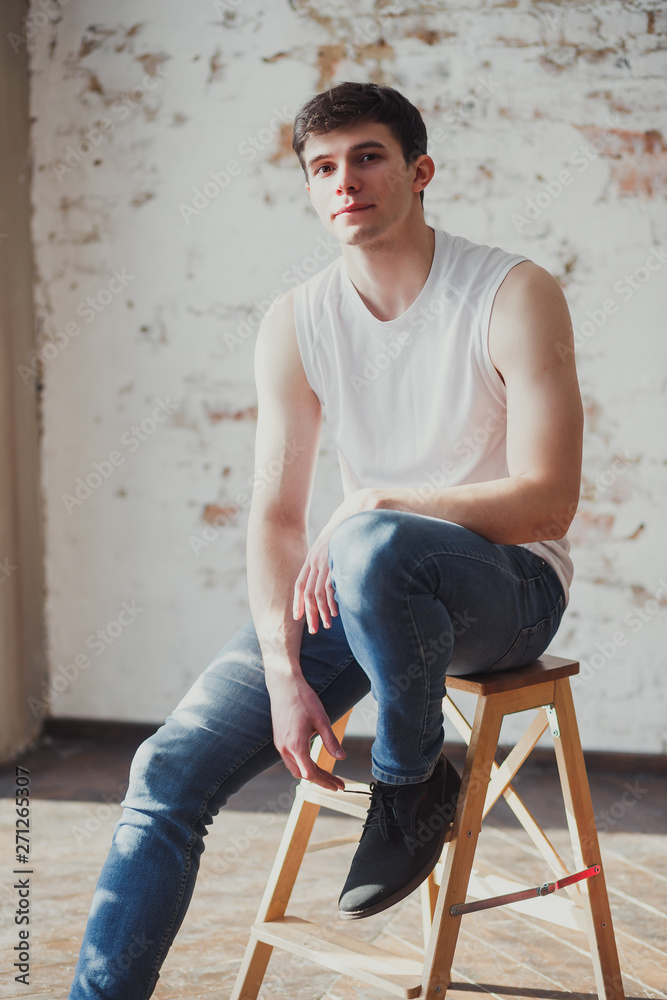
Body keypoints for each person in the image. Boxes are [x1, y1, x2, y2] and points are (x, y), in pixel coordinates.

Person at [69, 80, 583, 996]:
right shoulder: (296, 322)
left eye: (368, 156)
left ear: (419, 171)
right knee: (167, 769)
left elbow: (547, 505)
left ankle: (408, 776)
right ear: (310, 189)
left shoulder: (511, 292)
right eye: (323, 166)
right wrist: (281, 672)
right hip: (359, 585)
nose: (344, 179)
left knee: (376, 541)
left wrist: (379, 498)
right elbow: (274, 517)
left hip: (504, 591)